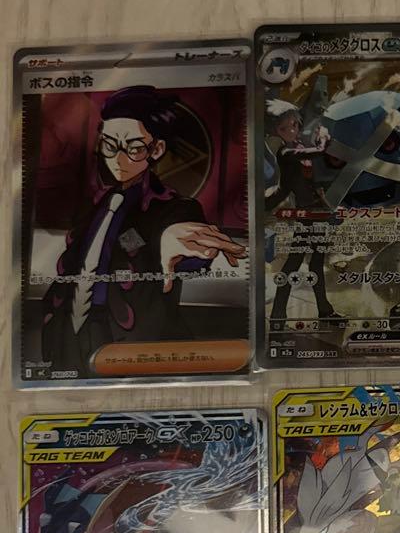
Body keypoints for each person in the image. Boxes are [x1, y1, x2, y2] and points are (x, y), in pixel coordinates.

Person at [40, 85, 246, 376]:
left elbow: (174, 236)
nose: (119, 158)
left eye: (134, 148)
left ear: (156, 149)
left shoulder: (171, 207)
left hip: (128, 341)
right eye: (110, 145)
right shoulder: (97, 204)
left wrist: (173, 243)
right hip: (71, 332)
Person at [264, 98, 340, 322]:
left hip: (316, 213)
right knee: (294, 264)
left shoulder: (298, 148)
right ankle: (279, 314)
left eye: (294, 125)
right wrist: (324, 138)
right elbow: (319, 151)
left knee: (315, 263)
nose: (292, 130)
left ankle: (324, 310)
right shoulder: (286, 153)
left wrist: (328, 207)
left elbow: (311, 182)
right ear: (275, 132)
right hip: (306, 215)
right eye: (283, 128)